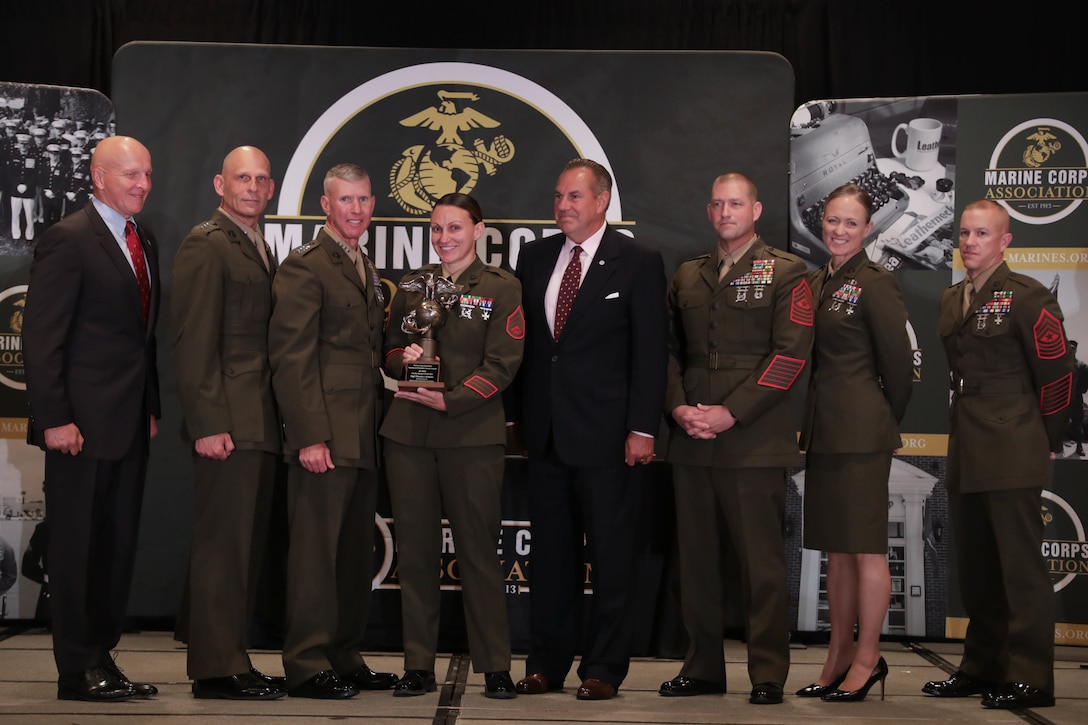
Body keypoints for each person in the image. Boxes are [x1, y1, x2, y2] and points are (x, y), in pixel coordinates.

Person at [509, 158, 669, 701]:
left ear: (602, 201)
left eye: (574, 197)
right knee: (550, 557)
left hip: (610, 439)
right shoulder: (532, 258)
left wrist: (643, 428)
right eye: (557, 197)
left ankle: (603, 667)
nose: (563, 206)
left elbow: (651, 353)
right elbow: (525, 349)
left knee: (612, 555)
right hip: (547, 436)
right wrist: (516, 420)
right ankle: (545, 663)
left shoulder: (638, 261)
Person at [658, 172, 812, 705]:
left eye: (736, 204)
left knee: (760, 564)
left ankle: (767, 672)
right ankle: (701, 668)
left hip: (753, 436)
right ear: (708, 212)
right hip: (691, 434)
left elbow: (790, 355)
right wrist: (678, 407)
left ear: (756, 210)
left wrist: (732, 412)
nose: (726, 212)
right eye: (718, 204)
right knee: (696, 562)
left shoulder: (788, 273)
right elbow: (669, 351)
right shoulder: (687, 275)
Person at [22, 135, 160, 702]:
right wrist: (55, 418)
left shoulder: (142, 237)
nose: (142, 184)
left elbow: (139, 339)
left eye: (148, 174)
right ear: (98, 177)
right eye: (130, 175)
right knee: (77, 549)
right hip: (77, 429)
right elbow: (42, 338)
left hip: (128, 425)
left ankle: (102, 656)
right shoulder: (68, 239)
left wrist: (149, 406)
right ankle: (76, 668)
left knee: (115, 545)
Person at [923, 199, 1073, 710]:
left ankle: (1032, 676)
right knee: (978, 568)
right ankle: (981, 667)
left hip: (1012, 447)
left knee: (1021, 570)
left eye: (982, 234)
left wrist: (1043, 438)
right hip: (968, 446)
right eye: (964, 233)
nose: (970, 243)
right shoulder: (950, 300)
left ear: (1005, 241)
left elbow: (1058, 378)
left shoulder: (1028, 298)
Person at [381, 192, 524, 699]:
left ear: (478, 230)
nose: (444, 238)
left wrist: (454, 400)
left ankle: (495, 665)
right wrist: (409, 363)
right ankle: (417, 664)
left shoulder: (502, 288)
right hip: (409, 434)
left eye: (455, 228)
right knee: (416, 553)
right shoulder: (413, 285)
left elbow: (505, 362)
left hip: (470, 434)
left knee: (479, 552)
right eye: (437, 229)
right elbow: (391, 349)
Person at [268, 163, 397, 699]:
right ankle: (305, 663)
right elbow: (291, 357)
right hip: (324, 435)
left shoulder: (363, 262)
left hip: (363, 433)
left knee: (350, 554)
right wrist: (309, 435)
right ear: (325, 204)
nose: (357, 210)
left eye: (364, 200)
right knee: (315, 555)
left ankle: (344, 654)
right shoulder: (307, 266)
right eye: (346, 200)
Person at [172, 146, 285, 700]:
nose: (252, 187)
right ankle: (218, 670)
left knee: (239, 548)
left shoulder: (258, 245)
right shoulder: (207, 243)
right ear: (220, 183)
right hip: (228, 425)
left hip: (257, 419)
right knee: (224, 547)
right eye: (242, 177)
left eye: (261, 180)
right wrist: (207, 422)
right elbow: (193, 342)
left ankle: (225, 654)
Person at [794, 184, 913, 702]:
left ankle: (868, 658)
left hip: (861, 433)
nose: (838, 230)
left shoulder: (875, 282)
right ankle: (837, 656)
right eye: (832, 221)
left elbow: (900, 368)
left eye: (850, 223)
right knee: (835, 553)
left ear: (869, 229)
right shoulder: (817, 280)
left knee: (866, 551)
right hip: (824, 432)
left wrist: (881, 422)